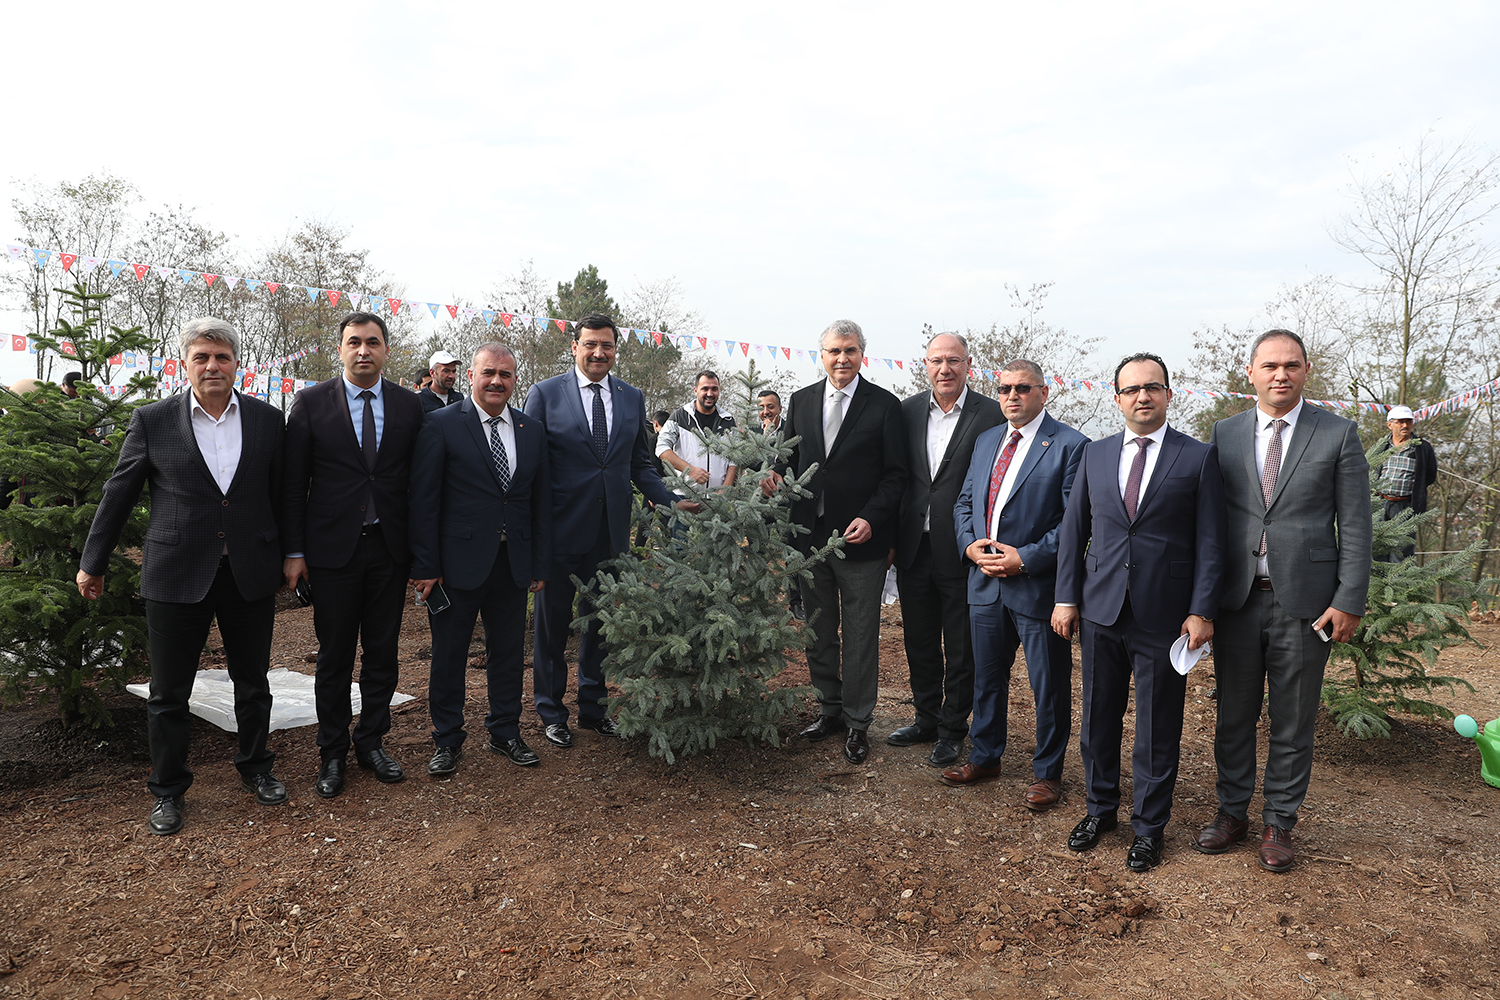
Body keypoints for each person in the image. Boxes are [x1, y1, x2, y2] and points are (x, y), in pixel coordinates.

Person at [77, 318, 287, 836]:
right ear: (185, 364)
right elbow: (119, 492)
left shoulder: (266, 420)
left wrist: (291, 554)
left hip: (249, 572)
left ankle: (256, 767)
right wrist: (93, 560)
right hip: (175, 572)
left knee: (253, 683)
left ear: (237, 363)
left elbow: (284, 495)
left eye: (222, 357)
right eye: (202, 357)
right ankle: (168, 790)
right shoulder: (152, 420)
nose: (213, 366)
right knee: (169, 692)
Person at [1196, 329, 1371, 873]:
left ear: (1305, 370)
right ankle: (1232, 812)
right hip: (1237, 600)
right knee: (1234, 714)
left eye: (1291, 365)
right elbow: (1207, 521)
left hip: (1308, 604)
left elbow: (1358, 525)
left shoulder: (1338, 434)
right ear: (1250, 373)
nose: (1280, 374)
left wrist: (1349, 599)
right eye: (1269, 365)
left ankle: (1279, 820)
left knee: (1293, 719)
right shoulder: (1223, 434)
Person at [1052, 353, 1226, 872]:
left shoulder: (1198, 458)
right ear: (1117, 398)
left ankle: (1148, 828)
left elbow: (1211, 541)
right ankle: (1100, 809)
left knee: (1156, 728)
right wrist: (1066, 597)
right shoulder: (1095, 455)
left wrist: (1202, 610)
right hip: (1101, 610)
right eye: (1131, 389)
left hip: (1165, 616)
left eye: (1152, 387)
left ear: (1169, 394)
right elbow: (1072, 532)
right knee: (1097, 719)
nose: (1142, 397)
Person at [522, 315, 693, 747]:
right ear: (575, 347)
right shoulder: (544, 394)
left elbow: (639, 463)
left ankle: (593, 709)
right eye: (591, 344)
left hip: (611, 535)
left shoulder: (632, 398)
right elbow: (531, 466)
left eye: (608, 346)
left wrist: (669, 500)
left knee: (600, 627)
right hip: (560, 533)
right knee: (552, 627)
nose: (599, 353)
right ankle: (551, 711)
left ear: (617, 350)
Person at [283, 311, 426, 798]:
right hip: (331, 552)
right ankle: (332, 753)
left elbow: (419, 484)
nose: (363, 351)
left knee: (383, 655)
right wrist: (295, 552)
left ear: (387, 350)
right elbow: (292, 484)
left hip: (389, 550)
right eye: (353, 343)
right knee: (335, 657)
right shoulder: (309, 403)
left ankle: (371, 743)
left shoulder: (411, 407)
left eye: (372, 342)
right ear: (339, 349)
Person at [762, 319, 908, 765]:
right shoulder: (801, 400)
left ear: (863, 353)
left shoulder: (884, 405)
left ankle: (858, 721)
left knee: (861, 635)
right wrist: (773, 475)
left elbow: (896, 475)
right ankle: (829, 710)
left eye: (850, 351)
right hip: (809, 539)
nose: (841, 359)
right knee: (818, 629)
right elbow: (790, 458)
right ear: (820, 355)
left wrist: (872, 517)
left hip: (860, 540)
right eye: (833, 351)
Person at [947, 359, 1086, 803]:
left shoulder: (1070, 445)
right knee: (986, 678)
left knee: (1048, 685)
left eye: (1023, 389)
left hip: (1036, 587)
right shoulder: (987, 439)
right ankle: (985, 756)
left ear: (1044, 393)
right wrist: (969, 545)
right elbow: (965, 500)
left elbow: (1073, 525)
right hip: (984, 582)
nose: (1012, 396)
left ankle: (1048, 773)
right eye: (1005, 388)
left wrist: (1024, 559)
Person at [409, 344, 550, 776]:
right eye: (488, 372)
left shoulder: (531, 429)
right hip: (455, 567)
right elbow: (424, 501)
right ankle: (447, 740)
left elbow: (540, 502)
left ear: (514, 380)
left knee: (507, 654)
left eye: (506, 375)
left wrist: (539, 563)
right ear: (470, 375)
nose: (496, 381)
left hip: (513, 564)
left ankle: (505, 732)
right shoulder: (440, 425)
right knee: (449, 656)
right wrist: (426, 566)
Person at [891, 334, 1003, 768]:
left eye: (953, 360)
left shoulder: (991, 414)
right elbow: (900, 475)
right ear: (926, 364)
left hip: (962, 547)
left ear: (968, 364)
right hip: (913, 545)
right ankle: (926, 718)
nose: (945, 369)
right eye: (937, 360)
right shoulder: (908, 411)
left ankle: (954, 729)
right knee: (918, 639)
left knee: (961, 645)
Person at [756, 388, 804, 621]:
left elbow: (792, 462)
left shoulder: (790, 431)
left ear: (780, 409)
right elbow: (753, 464)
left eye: (770, 407)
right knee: (758, 551)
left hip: (785, 502)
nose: (766, 412)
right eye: (762, 408)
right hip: (761, 504)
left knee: (790, 551)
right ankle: (758, 601)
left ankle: (796, 602)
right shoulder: (756, 434)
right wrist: (763, 440)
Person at [1371, 404, 1438, 562]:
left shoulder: (1422, 448)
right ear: (1390, 425)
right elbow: (1371, 471)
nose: (1405, 425)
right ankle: (1377, 586)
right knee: (1377, 549)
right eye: (1400, 422)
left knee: (1402, 551)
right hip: (1379, 504)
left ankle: (1399, 586)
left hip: (1405, 507)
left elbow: (1429, 476)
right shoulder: (1382, 447)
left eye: (1408, 421)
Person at [656, 370, 738, 497]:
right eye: (705, 388)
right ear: (696, 390)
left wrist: (725, 489)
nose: (710, 394)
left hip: (717, 501)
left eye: (714, 389)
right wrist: (690, 470)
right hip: (685, 496)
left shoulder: (728, 420)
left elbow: (734, 459)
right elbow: (662, 448)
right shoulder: (679, 416)